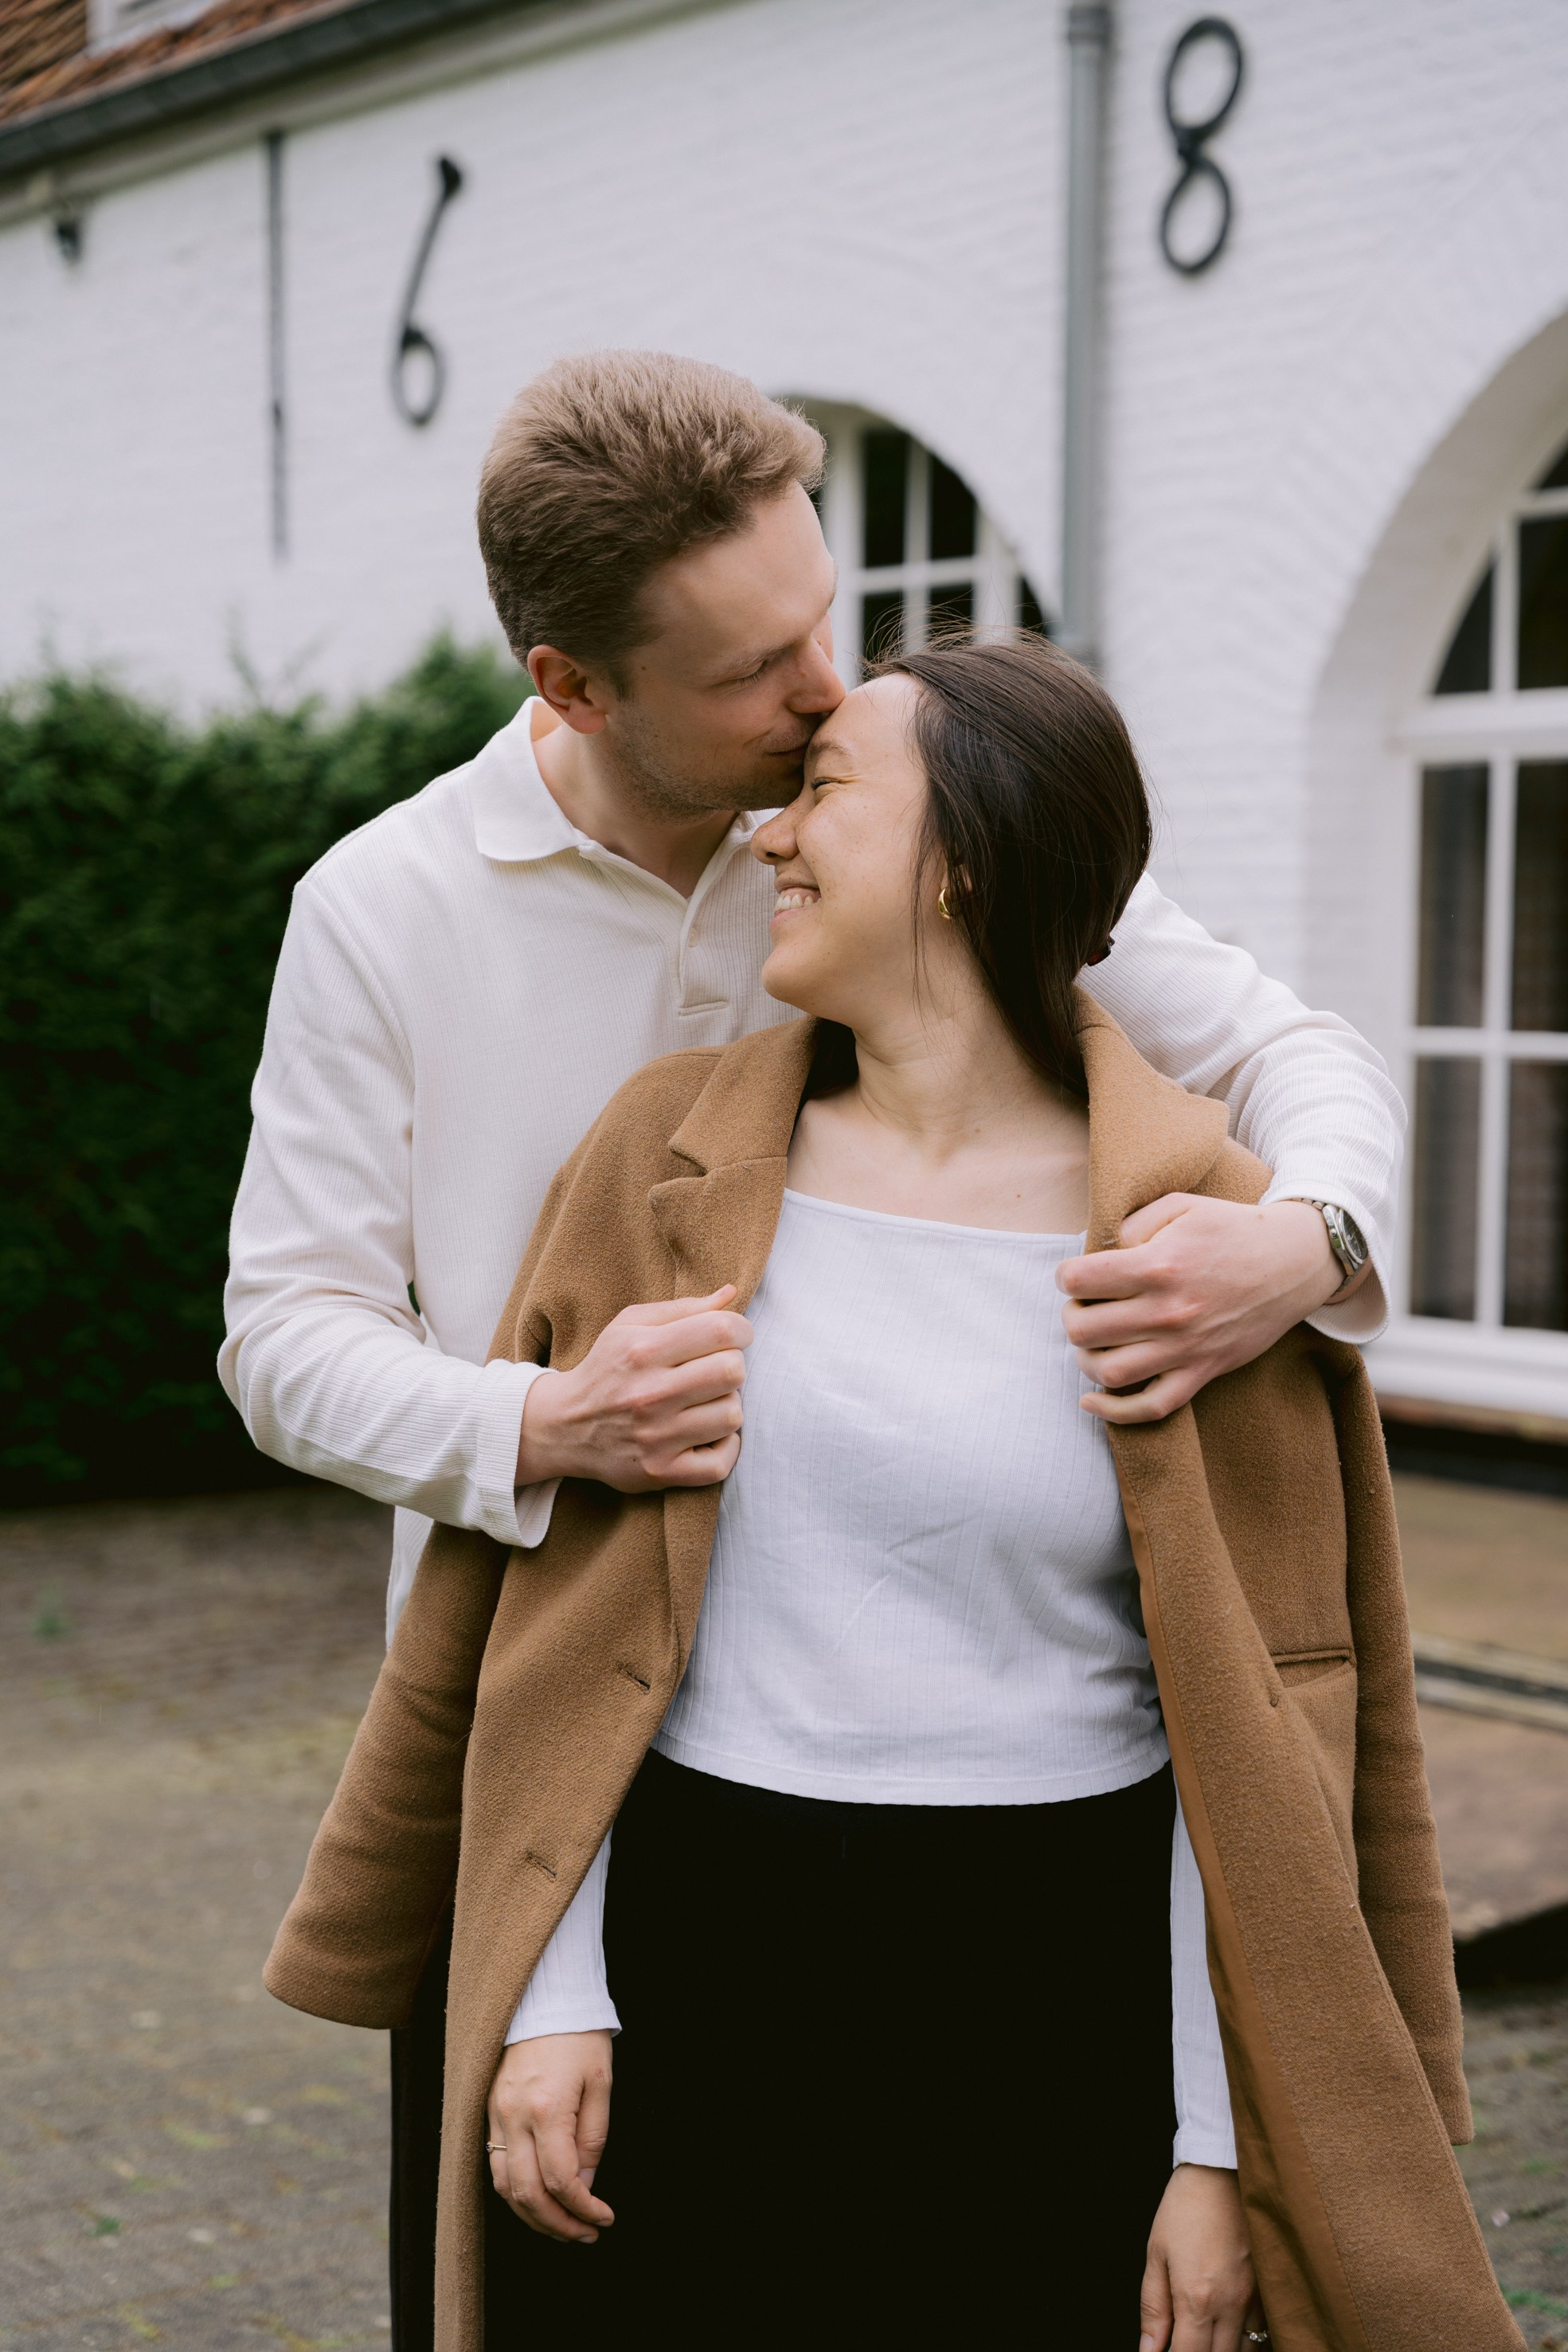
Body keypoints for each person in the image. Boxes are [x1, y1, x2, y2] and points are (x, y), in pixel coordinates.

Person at [223, 354, 1404, 2338]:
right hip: (563, 1750)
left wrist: (1299, 1242)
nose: (821, 693)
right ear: (573, 686)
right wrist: (544, 1416)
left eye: (824, 622)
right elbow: (282, 1335)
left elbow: (1296, 1049)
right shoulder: (385, 910)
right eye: (757, 667)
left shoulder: (907, 821)